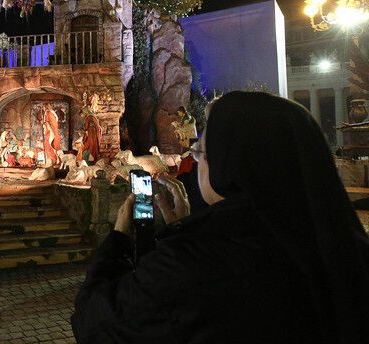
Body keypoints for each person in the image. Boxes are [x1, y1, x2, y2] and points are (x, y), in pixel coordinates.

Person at [72, 91, 369, 343]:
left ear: (230, 164)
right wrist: (183, 230)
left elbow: (94, 324)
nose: (197, 161)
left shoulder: (190, 264)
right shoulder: (345, 248)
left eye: (201, 152)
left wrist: (119, 239)